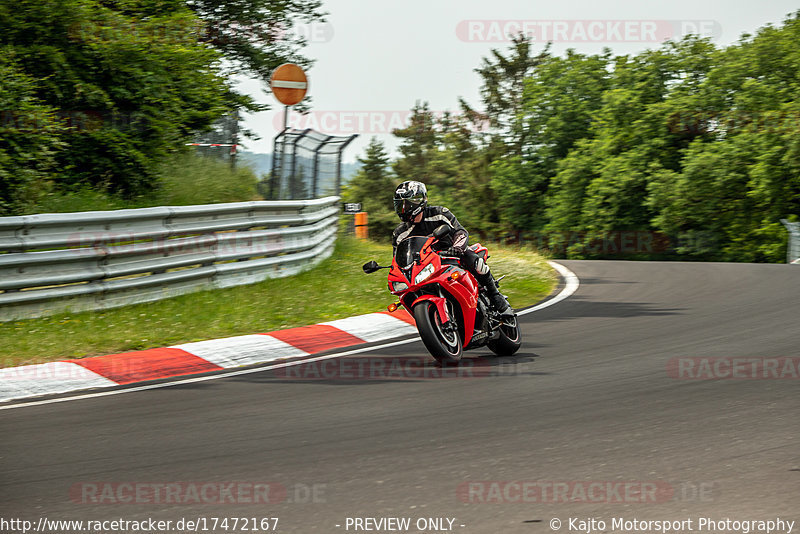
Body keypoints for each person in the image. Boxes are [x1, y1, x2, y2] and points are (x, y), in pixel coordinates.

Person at [391, 180, 513, 317]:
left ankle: (496, 296)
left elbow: (460, 232)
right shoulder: (399, 234)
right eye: (400, 204)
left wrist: (457, 248)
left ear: (420, 200)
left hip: (452, 255)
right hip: (427, 266)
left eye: (407, 203)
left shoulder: (439, 213)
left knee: (474, 260)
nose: (404, 208)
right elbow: (398, 260)